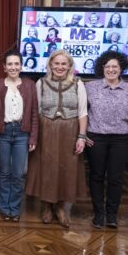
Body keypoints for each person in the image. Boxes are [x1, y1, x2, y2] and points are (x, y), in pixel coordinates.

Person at [25, 49, 88, 228]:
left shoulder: (78, 83)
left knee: (66, 168)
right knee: (47, 167)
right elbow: (35, 112)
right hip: (46, 130)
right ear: (50, 65)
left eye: (63, 64)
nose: (60, 67)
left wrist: (81, 137)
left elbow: (83, 112)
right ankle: (46, 206)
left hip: (70, 131)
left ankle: (60, 207)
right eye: (56, 63)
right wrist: (34, 136)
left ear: (69, 66)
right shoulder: (41, 83)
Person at [84, 50, 128, 229]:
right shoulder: (90, 87)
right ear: (102, 68)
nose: (111, 69)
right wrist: (83, 135)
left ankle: (112, 215)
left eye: (115, 66)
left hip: (122, 139)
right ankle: (98, 214)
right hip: (96, 138)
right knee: (97, 176)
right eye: (108, 66)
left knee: (116, 178)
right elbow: (83, 113)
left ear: (121, 68)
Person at [0, 50, 37, 222]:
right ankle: (5, 208)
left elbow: (33, 113)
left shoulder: (29, 85)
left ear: (21, 66)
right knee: (4, 172)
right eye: (9, 64)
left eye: (16, 64)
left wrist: (32, 137)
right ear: (4, 67)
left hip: (21, 134)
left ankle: (15, 208)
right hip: (3, 132)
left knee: (18, 174)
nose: (13, 67)